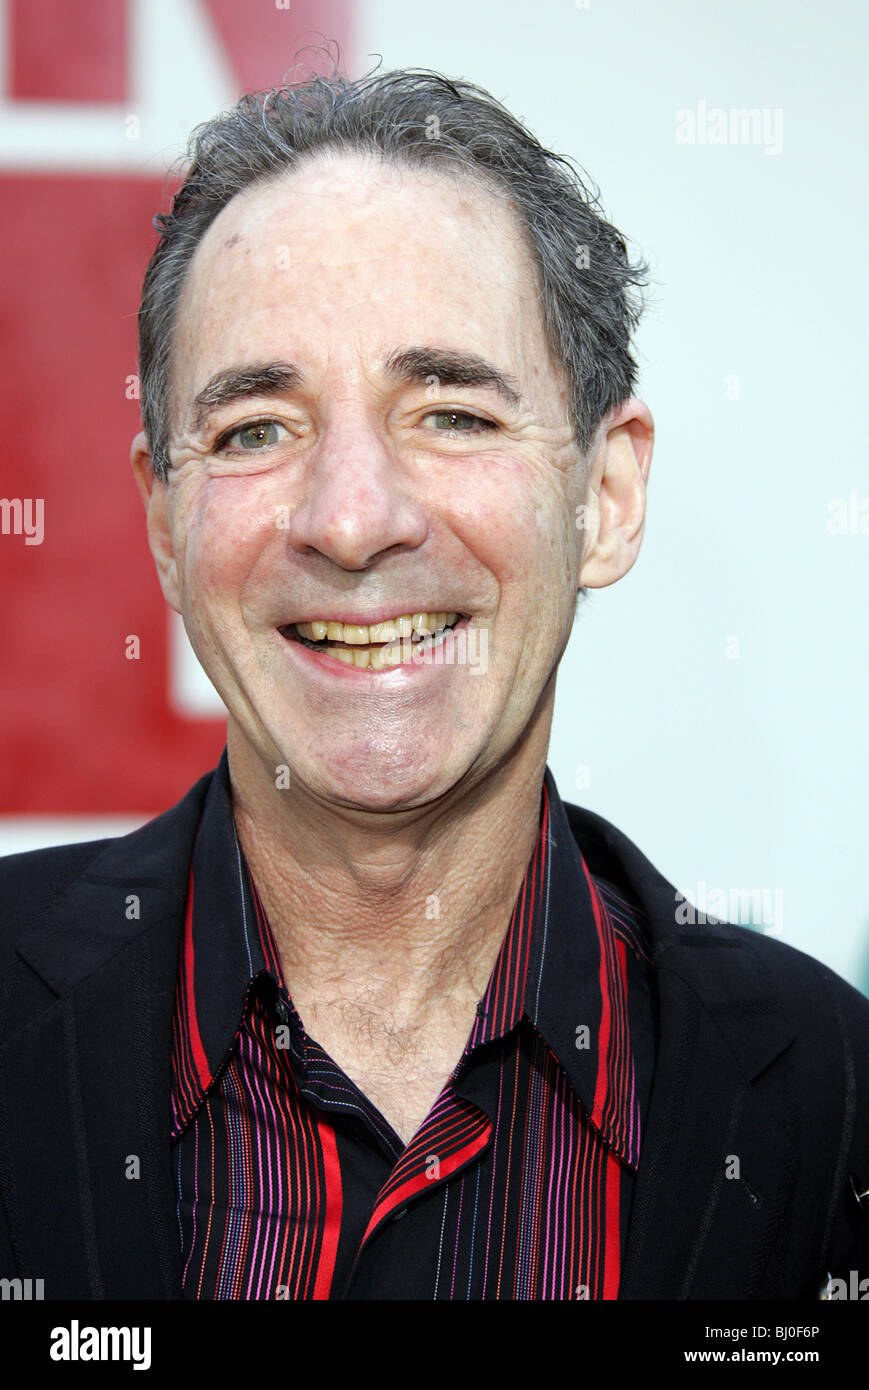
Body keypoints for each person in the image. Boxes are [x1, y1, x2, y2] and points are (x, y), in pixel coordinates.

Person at [1, 63, 867, 1302]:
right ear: (163, 523)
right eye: (257, 428)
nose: (352, 521)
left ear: (605, 498)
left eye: (451, 412)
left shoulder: (831, 1102)